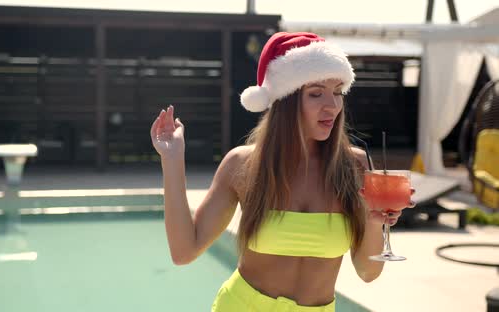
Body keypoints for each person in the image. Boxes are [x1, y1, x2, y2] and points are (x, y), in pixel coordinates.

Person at [150, 32, 415, 312]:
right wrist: (172, 158)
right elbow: (184, 252)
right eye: (316, 93)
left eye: (337, 92)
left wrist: (376, 222)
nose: (332, 105)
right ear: (285, 100)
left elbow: (367, 272)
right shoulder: (243, 165)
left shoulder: (354, 167)